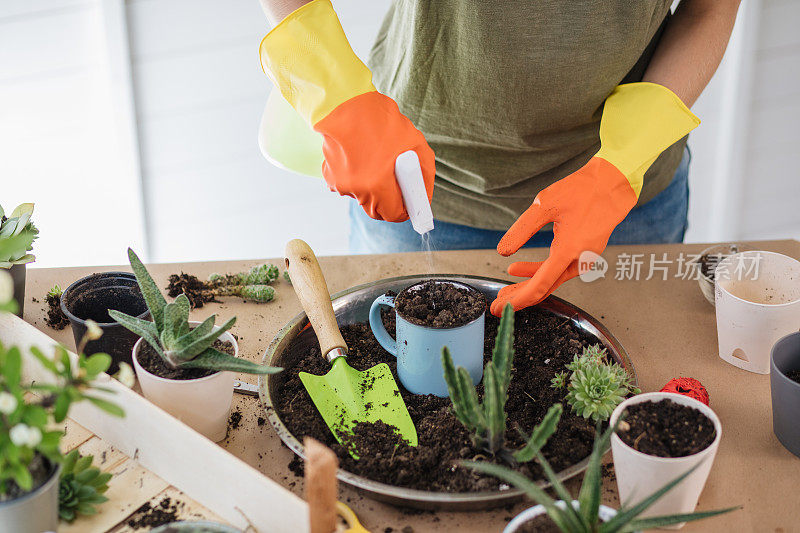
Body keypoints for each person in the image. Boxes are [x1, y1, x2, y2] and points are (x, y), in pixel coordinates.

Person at [257, 0, 741, 315]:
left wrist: (621, 166)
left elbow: (709, 10)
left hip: (618, 202)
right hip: (414, 179)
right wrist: (339, 98)